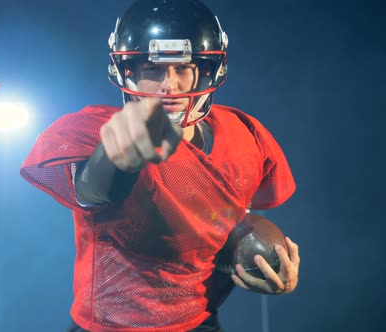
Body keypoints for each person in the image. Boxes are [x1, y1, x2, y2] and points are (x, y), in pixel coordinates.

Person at [20, 0, 300, 331]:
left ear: (206, 71)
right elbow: (91, 190)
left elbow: (223, 216)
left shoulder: (243, 138)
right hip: (111, 326)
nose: (170, 85)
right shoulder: (97, 131)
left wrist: (259, 255)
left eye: (182, 69)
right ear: (129, 73)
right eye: (153, 70)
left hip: (199, 321)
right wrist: (113, 158)